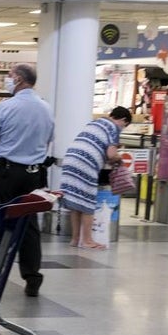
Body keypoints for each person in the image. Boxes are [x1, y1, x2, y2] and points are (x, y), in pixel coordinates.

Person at [0, 62, 55, 296]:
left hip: (5, 174)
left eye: (10, 75)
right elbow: (48, 140)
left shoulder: (6, 107)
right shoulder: (46, 108)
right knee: (29, 225)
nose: (8, 79)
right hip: (34, 175)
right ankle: (32, 277)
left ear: (19, 79)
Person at [59, 106, 132, 250]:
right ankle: (87, 241)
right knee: (88, 202)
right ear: (123, 120)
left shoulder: (95, 123)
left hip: (70, 160)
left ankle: (75, 239)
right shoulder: (113, 128)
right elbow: (111, 154)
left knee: (76, 201)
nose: (122, 128)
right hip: (85, 164)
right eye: (125, 125)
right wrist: (119, 158)